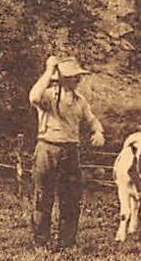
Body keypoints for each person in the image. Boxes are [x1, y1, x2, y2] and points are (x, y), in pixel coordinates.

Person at [29, 55, 106, 248]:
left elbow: (92, 120)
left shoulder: (80, 101)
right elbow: (33, 97)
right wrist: (49, 70)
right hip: (47, 149)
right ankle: (41, 242)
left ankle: (66, 243)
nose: (77, 80)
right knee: (43, 197)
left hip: (71, 151)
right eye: (72, 76)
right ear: (62, 78)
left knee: (71, 197)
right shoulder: (47, 96)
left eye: (78, 76)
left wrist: (98, 131)